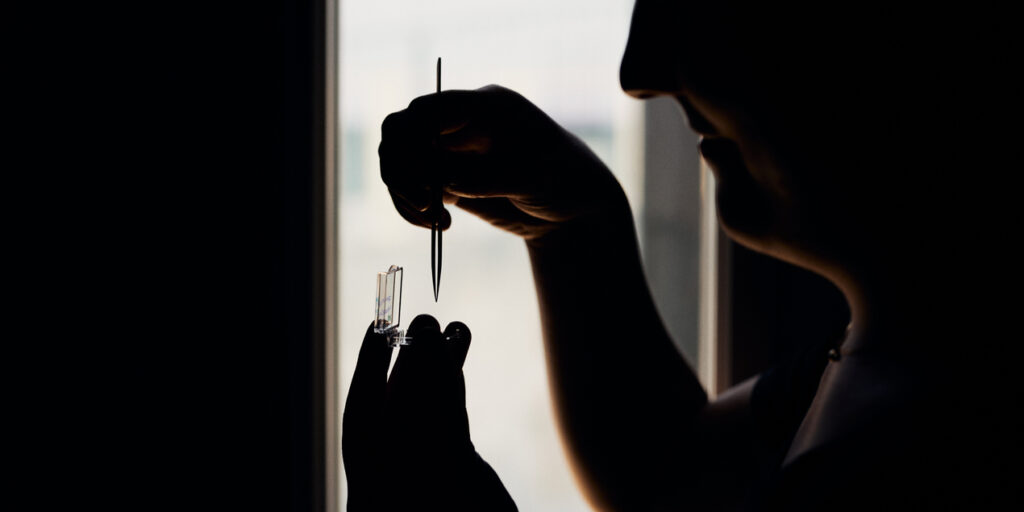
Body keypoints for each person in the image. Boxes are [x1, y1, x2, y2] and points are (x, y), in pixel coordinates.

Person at [344, 1, 1018, 510]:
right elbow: (671, 473)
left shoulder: (918, 447)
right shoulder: (877, 358)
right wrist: (576, 225)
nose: (638, 73)